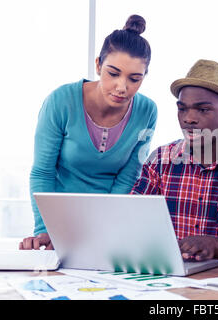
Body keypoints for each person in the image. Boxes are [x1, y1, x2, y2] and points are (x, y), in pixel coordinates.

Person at [20, 15, 157, 250]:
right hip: (58, 221)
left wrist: (103, 229)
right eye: (113, 73)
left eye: (134, 79)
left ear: (144, 76)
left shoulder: (147, 111)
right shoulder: (61, 101)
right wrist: (46, 229)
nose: (122, 87)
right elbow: (43, 172)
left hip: (109, 222)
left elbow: (128, 176)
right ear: (98, 65)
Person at [131, 59, 218, 262]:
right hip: (170, 277)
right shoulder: (160, 160)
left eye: (202, 110)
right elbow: (131, 221)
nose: (189, 119)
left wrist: (217, 245)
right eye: (182, 109)